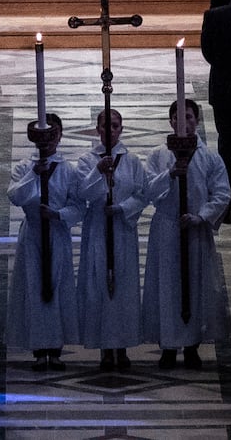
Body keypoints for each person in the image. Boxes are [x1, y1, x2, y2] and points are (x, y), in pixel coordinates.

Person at [142, 99, 231, 368]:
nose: (185, 122)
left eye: (190, 117)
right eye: (179, 118)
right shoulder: (159, 155)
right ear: (171, 122)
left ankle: (192, 345)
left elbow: (222, 193)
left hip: (195, 229)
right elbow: (148, 191)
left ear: (197, 121)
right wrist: (170, 174)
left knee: (196, 285)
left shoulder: (210, 157)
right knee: (167, 286)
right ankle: (168, 345)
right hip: (168, 227)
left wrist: (201, 215)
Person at [7, 114, 84, 370]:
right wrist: (33, 174)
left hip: (57, 232)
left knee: (57, 286)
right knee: (34, 286)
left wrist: (59, 214)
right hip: (33, 234)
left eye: (55, 134)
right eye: (46, 135)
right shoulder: (23, 166)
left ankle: (56, 347)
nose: (50, 141)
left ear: (60, 136)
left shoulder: (68, 170)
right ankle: (39, 348)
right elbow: (15, 196)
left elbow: (78, 205)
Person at [75, 109, 147, 370]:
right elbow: (81, 191)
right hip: (97, 228)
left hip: (122, 229)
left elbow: (142, 194)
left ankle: (123, 344)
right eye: (105, 126)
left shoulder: (132, 161)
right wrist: (98, 170)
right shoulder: (86, 160)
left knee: (123, 287)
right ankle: (105, 347)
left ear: (121, 129)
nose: (110, 131)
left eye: (115, 126)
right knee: (99, 286)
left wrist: (122, 208)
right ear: (97, 129)